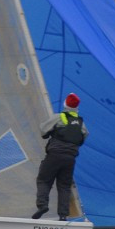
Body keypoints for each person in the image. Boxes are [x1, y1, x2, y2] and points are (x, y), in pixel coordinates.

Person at [32, 93, 88, 221]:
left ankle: (42, 206)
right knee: (64, 185)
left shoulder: (58, 117)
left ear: (65, 104)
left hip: (55, 155)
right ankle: (63, 215)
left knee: (44, 180)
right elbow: (84, 136)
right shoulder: (80, 123)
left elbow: (43, 131)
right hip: (70, 159)